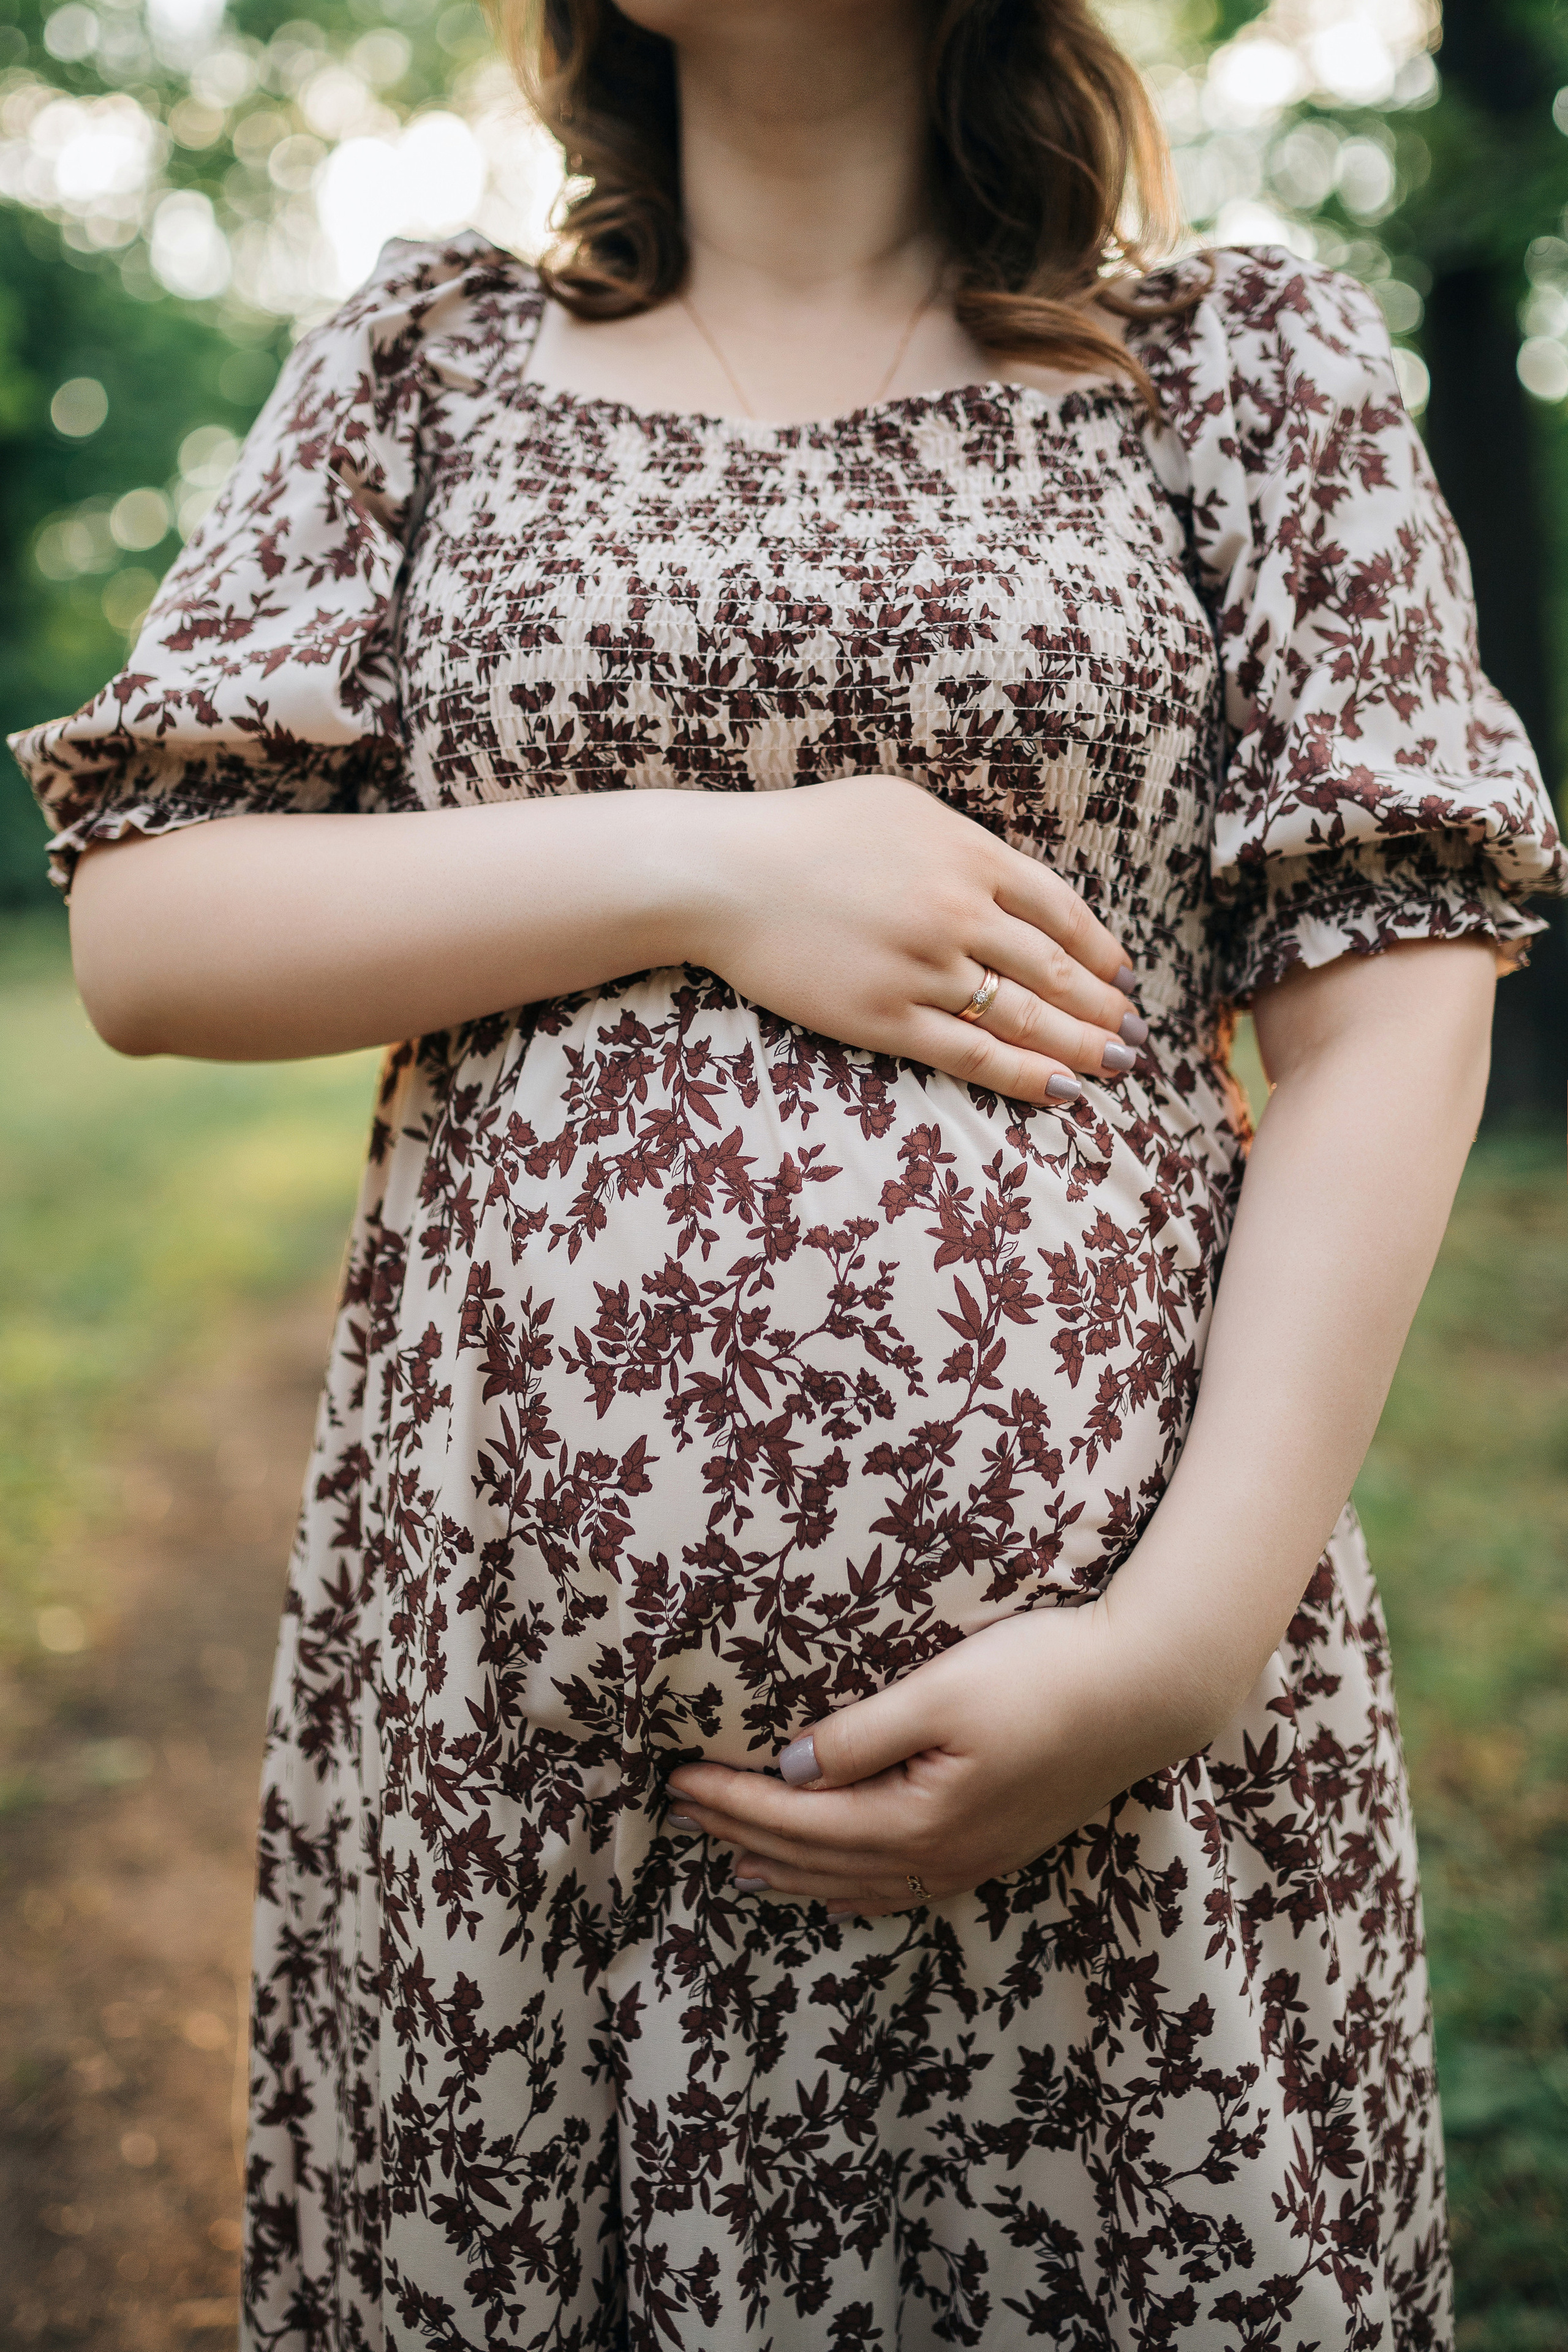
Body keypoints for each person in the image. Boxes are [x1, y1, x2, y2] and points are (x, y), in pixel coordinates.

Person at [15, 0, 1565, 2342]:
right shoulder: (427, 363)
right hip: (512, 1781)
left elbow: (1390, 1005)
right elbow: (152, 928)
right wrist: (715, 868)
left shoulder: (1242, 370)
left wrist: (1174, 1647)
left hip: (1114, 1756)